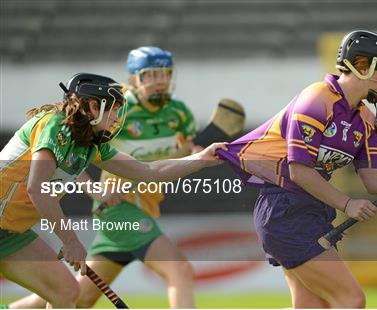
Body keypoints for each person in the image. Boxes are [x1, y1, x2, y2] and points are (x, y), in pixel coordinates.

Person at [217, 30, 377, 308]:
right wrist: (347, 204)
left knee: (312, 306)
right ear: (362, 66)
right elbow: (299, 170)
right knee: (351, 299)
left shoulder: (365, 118)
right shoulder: (317, 100)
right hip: (285, 211)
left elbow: (374, 180)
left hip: (314, 212)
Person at [0, 72, 225, 308]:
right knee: (67, 292)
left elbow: (149, 171)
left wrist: (201, 158)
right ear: (94, 106)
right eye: (114, 109)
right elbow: (37, 188)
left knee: (67, 292)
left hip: (11, 233)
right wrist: (70, 240)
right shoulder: (55, 126)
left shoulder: (91, 146)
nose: (117, 117)